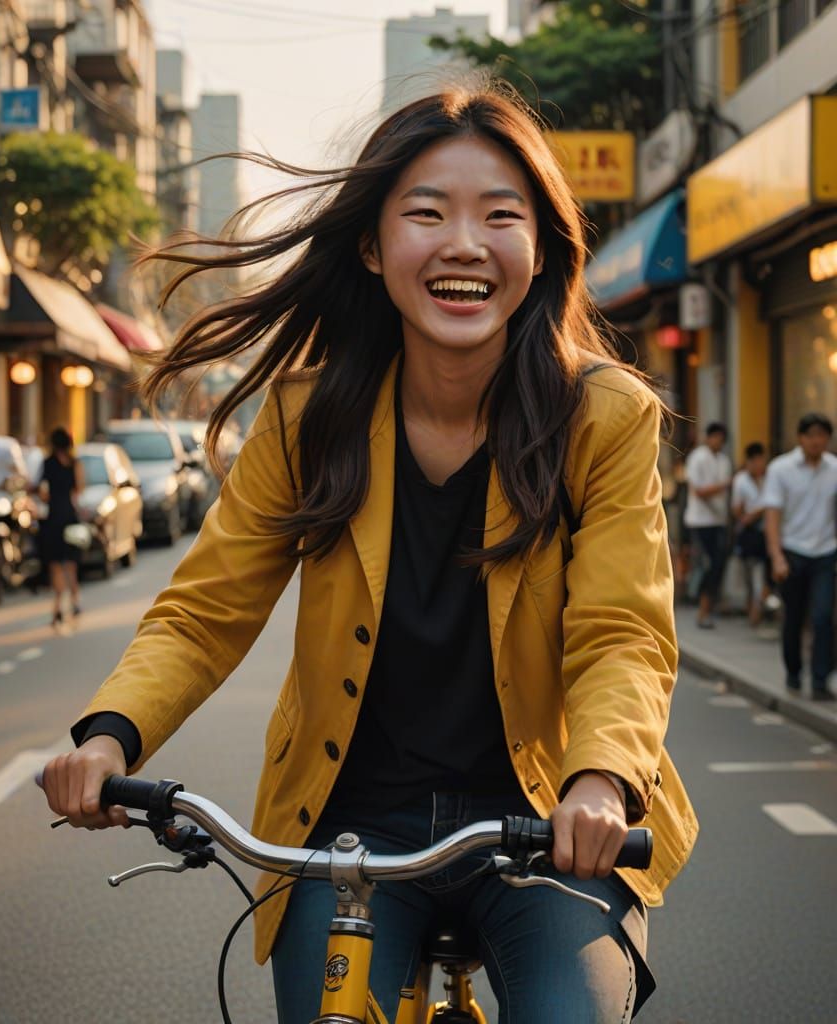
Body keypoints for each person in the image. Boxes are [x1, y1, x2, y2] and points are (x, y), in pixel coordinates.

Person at [39, 83, 697, 1022]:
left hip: (549, 825)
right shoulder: (312, 416)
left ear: (542, 249)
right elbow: (203, 612)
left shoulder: (604, 414)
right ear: (372, 245)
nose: (464, 244)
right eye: (426, 214)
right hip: (346, 834)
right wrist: (108, 736)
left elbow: (623, 631)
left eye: (500, 217)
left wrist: (599, 784)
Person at [762, 412, 837, 701]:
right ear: (800, 438)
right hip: (792, 551)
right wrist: (777, 557)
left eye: (822, 435)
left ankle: (820, 680)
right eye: (811, 435)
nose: (817, 441)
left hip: (826, 552)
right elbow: (772, 516)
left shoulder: (834, 468)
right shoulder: (781, 469)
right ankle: (793, 671)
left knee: (822, 617)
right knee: (793, 617)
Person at [682, 422, 732, 628]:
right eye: (715, 437)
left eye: (721, 438)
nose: (718, 441)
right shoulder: (698, 457)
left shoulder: (724, 460)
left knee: (718, 565)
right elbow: (698, 491)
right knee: (707, 565)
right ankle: (701, 606)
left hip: (718, 520)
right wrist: (724, 485)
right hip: (699, 521)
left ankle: (708, 606)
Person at [37, 427, 85, 627]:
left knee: (55, 564)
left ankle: (57, 606)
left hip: (53, 518)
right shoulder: (74, 464)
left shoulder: (47, 463)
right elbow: (79, 489)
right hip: (70, 516)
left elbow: (42, 492)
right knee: (71, 562)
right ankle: (74, 601)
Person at [731, 441, 772, 627]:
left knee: (762, 575)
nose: (758, 464)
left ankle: (757, 611)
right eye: (755, 461)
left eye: (761, 460)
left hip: (767, 533)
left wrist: (756, 513)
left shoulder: (769, 478)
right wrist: (755, 514)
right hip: (750, 535)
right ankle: (752, 611)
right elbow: (737, 511)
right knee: (750, 575)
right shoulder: (741, 480)